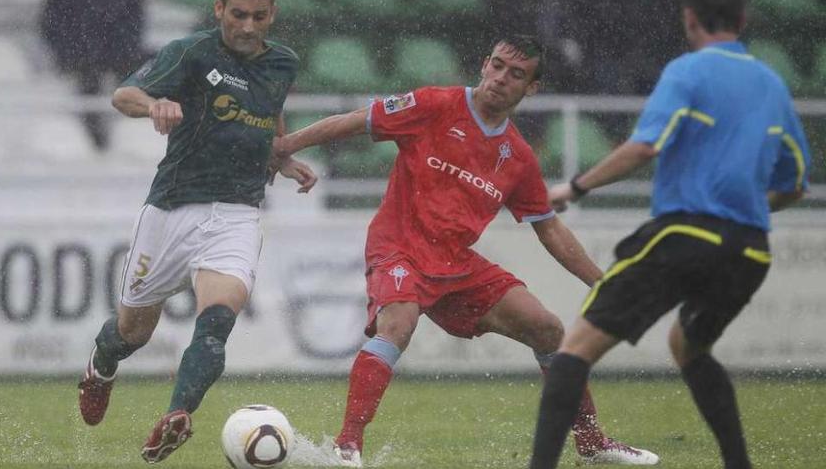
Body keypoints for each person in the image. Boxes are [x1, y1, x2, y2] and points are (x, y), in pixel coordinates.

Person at [273, 34, 659, 467]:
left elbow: (549, 229)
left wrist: (601, 282)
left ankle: (592, 444)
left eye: (516, 74)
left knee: (548, 329)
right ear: (483, 64)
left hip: (457, 265)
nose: (500, 79)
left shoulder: (518, 158)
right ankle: (347, 448)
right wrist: (285, 147)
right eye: (496, 66)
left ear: (531, 89)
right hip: (398, 247)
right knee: (397, 324)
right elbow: (356, 121)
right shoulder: (434, 104)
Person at [530, 0, 811, 468]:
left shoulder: (688, 71)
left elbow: (643, 147)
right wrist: (743, 208)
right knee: (689, 346)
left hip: (687, 235)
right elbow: (794, 185)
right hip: (749, 250)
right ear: (742, 22)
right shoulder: (772, 84)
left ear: (688, 19)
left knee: (573, 350)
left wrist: (575, 188)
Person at [76, 0, 317, 463]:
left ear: (272, 13)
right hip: (173, 208)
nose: (248, 26)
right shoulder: (192, 53)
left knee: (216, 321)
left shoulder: (283, 62)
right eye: (238, 15)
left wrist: (281, 157)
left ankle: (178, 415)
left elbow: (270, 111)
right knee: (132, 333)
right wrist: (154, 104)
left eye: (259, 16)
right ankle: (101, 367)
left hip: (238, 212)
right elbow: (122, 95)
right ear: (218, 9)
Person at [40, 0, 154, 151]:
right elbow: (52, 27)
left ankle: (136, 131)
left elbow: (133, 26)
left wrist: (119, 52)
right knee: (89, 80)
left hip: (116, 54)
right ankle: (94, 135)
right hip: (79, 56)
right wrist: (76, 51)